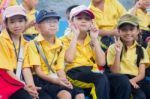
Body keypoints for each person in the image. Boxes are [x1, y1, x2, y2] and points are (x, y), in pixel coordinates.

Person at [25, 9, 85, 99]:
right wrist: (56, 81)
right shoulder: (33, 44)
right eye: (47, 21)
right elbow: (38, 71)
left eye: (55, 21)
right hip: (41, 79)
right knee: (65, 95)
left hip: (56, 77)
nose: (52, 24)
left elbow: (59, 68)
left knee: (80, 94)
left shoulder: (60, 44)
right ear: (37, 27)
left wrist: (63, 80)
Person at [61, 5, 109, 99]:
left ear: (91, 23)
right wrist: (75, 35)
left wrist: (95, 39)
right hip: (73, 73)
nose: (83, 21)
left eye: (87, 19)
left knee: (120, 79)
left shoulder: (92, 39)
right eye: (79, 18)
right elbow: (69, 59)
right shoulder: (63, 40)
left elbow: (102, 62)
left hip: (91, 72)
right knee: (100, 79)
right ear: (71, 22)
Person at [107, 14, 150, 99]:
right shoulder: (112, 48)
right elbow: (115, 72)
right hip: (119, 79)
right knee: (140, 97)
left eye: (131, 29)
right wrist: (118, 52)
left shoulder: (141, 50)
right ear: (118, 31)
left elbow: (141, 74)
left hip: (135, 79)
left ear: (138, 30)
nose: (128, 33)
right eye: (124, 30)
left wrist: (132, 81)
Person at [0, 5, 39, 99]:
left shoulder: (26, 43)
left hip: (17, 78)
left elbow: (25, 68)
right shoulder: (1, 40)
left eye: (20, 21)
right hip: (5, 78)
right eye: (12, 22)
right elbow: (7, 69)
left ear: (26, 22)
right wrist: (24, 86)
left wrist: (31, 87)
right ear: (6, 24)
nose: (17, 25)